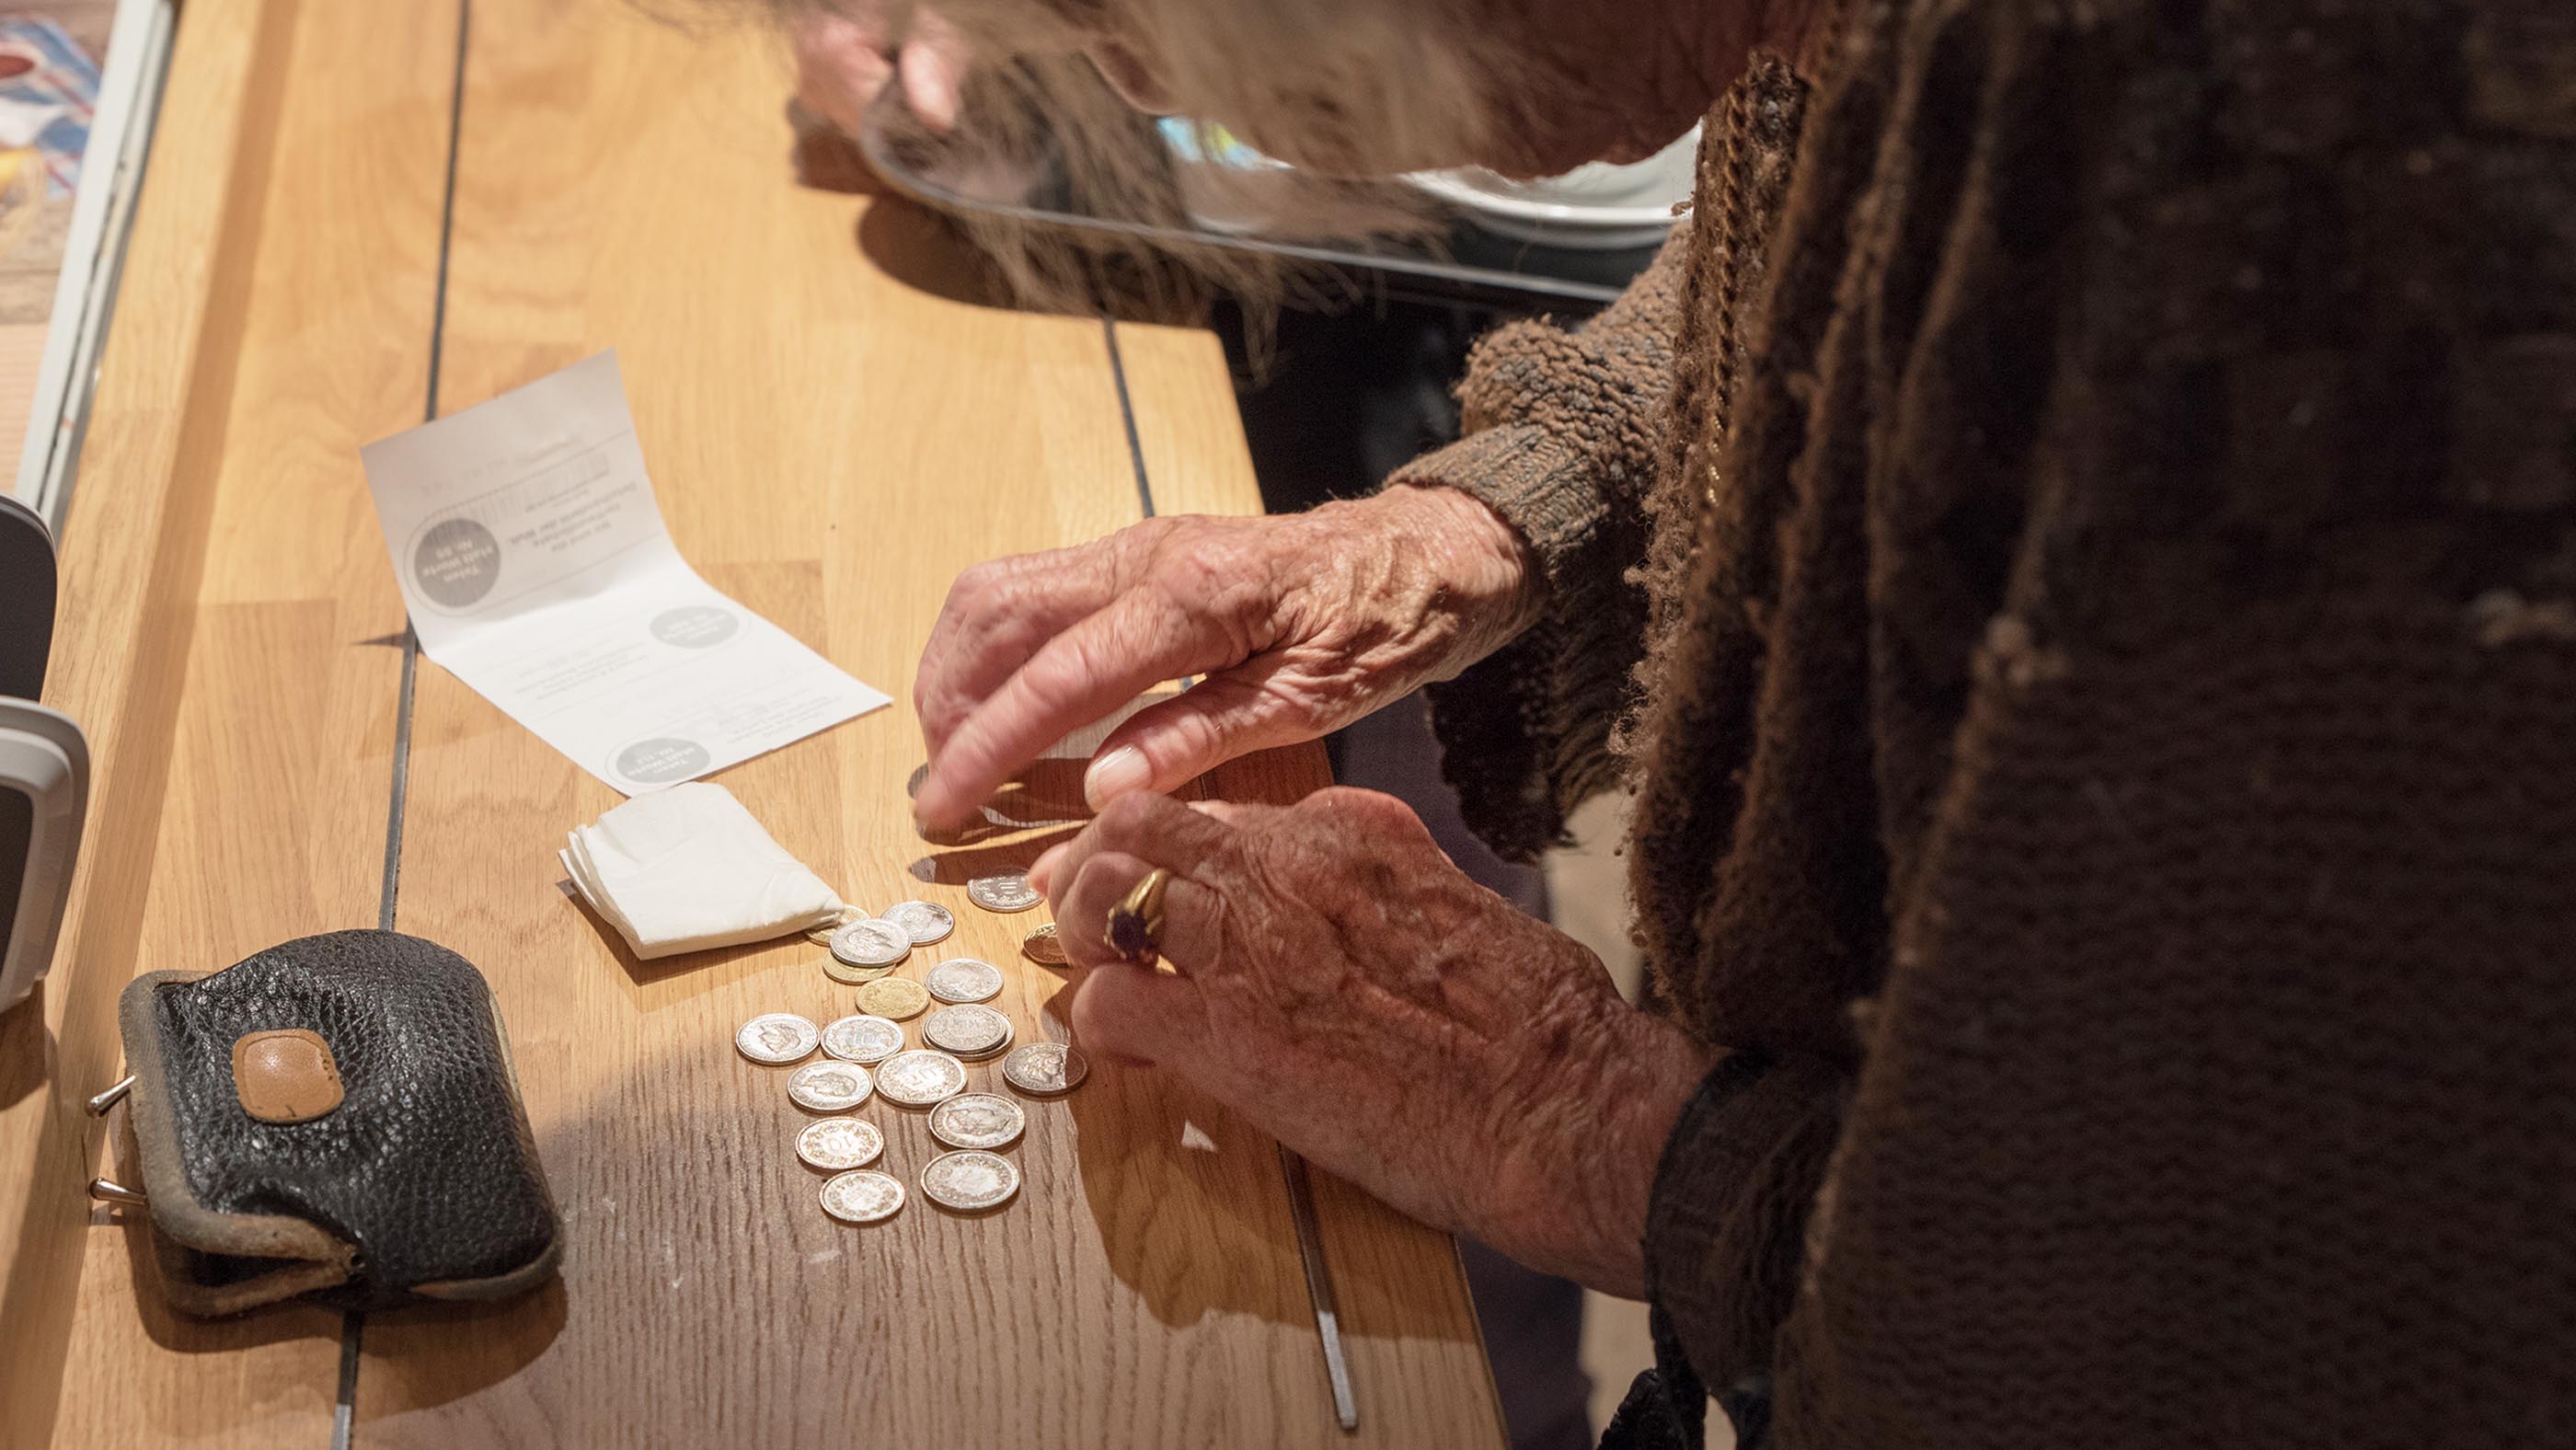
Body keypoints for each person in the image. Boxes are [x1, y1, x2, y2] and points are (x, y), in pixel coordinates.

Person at [810, 2, 2576, 1445]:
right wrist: (1496, 512)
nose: (1109, 64)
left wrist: (1612, 1129)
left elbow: (2242, 1336)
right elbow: (1904, 226)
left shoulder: (2340, 152)